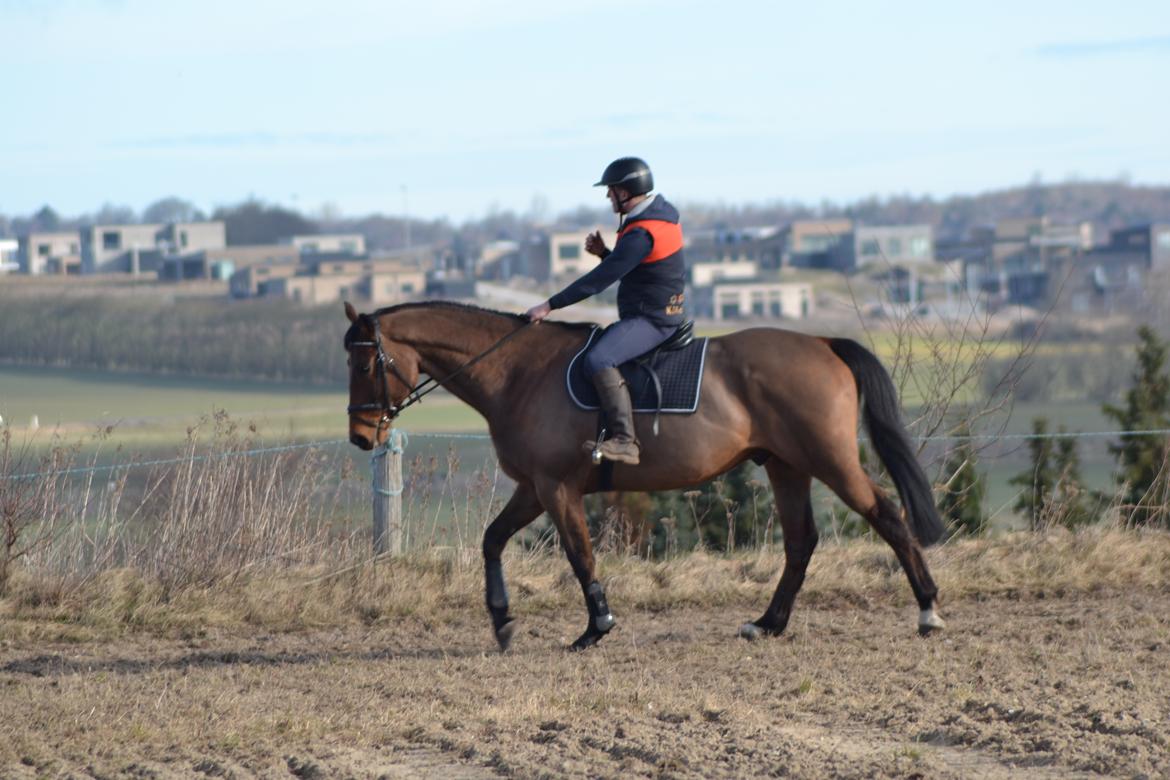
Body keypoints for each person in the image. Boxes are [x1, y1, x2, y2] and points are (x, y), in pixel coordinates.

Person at [526, 157, 687, 465]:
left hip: (653, 320)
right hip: (656, 311)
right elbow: (635, 269)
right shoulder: (654, 219)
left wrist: (549, 305)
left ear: (626, 191)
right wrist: (605, 254)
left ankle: (626, 441)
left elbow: (600, 281)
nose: (607, 196)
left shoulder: (642, 232)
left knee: (599, 358)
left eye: (611, 190)